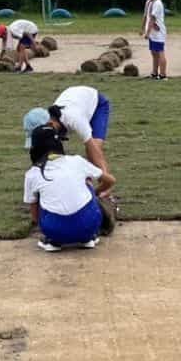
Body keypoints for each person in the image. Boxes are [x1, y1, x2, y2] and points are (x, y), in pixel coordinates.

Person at [23, 123, 115, 251]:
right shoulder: (77, 161)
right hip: (90, 225)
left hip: (53, 230)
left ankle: (53, 242)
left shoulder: (32, 173)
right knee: (86, 182)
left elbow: (34, 214)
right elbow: (110, 181)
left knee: (39, 196)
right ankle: (88, 238)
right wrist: (95, 192)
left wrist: (45, 228)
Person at [22, 83, 112, 181]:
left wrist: (107, 181)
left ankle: (104, 189)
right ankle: (86, 182)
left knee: (93, 148)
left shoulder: (74, 118)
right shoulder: (53, 122)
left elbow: (95, 152)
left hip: (97, 104)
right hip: (76, 99)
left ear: (50, 124)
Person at [141, 0, 168, 79]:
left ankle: (163, 74)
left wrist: (147, 33)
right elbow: (145, 16)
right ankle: (154, 72)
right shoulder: (148, 2)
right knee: (153, 52)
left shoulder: (158, 3)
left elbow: (152, 19)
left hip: (158, 32)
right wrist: (142, 28)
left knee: (160, 51)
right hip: (151, 31)